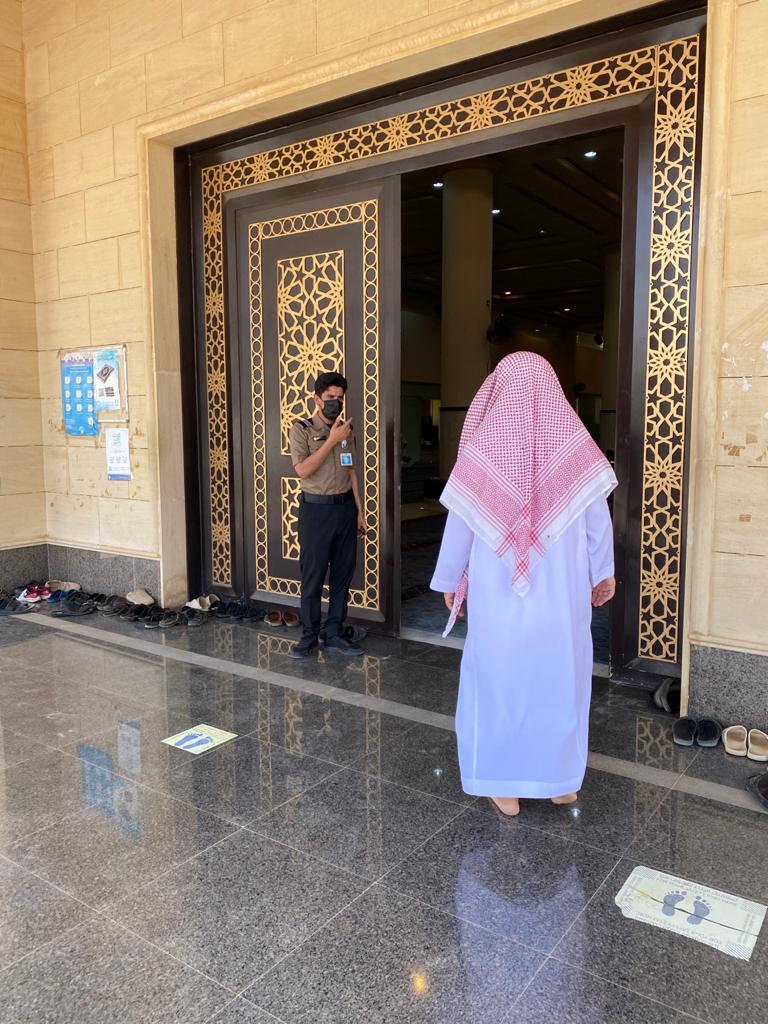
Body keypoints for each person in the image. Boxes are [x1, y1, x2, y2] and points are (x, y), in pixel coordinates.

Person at [430, 351, 617, 817]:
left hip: (500, 598)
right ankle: (559, 782)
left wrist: (450, 579)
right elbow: (598, 520)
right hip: (562, 596)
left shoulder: (483, 451)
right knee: (559, 679)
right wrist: (603, 572)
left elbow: (461, 521)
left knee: (501, 680)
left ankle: (504, 784)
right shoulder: (575, 448)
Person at [288, 371, 367, 659]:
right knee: (313, 576)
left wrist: (359, 511)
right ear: (317, 399)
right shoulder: (301, 429)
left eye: (339, 398)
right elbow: (302, 470)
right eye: (330, 397)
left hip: (345, 509)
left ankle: (334, 633)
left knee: (342, 575)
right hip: (316, 512)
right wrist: (332, 440)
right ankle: (308, 636)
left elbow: (351, 471)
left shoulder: (347, 430)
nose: (335, 402)